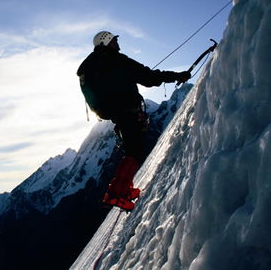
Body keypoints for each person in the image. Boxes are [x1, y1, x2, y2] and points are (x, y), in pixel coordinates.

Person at [77, 31, 191, 210]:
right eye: (114, 40)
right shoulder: (117, 60)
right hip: (128, 111)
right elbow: (148, 77)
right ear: (106, 42)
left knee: (132, 150)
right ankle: (117, 193)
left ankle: (125, 189)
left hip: (116, 113)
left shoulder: (92, 65)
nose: (117, 43)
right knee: (134, 152)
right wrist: (176, 76)